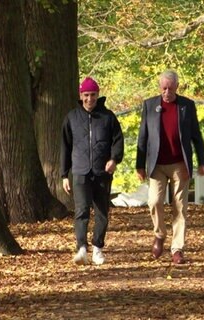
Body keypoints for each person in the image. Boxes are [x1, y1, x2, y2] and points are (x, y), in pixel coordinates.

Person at [136, 69, 204, 264]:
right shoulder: (150, 105)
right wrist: (139, 165)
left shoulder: (186, 106)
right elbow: (143, 137)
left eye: (170, 88)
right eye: (164, 88)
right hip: (156, 164)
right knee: (154, 201)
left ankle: (177, 249)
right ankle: (159, 234)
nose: (167, 92)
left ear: (177, 86)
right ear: (160, 88)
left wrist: (202, 161)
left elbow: (196, 137)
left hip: (179, 164)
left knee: (180, 206)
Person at [60, 77, 124, 265]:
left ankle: (98, 248)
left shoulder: (108, 117)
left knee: (102, 212)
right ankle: (81, 248)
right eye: (86, 95)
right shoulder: (72, 117)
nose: (90, 99)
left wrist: (114, 160)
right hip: (80, 172)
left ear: (98, 95)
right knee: (81, 211)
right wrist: (64, 174)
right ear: (81, 96)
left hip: (102, 173)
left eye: (93, 95)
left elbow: (118, 141)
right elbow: (65, 146)